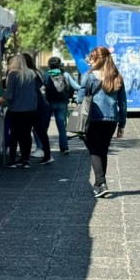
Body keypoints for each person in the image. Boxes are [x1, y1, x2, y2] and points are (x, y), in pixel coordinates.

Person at [77, 47, 127, 198]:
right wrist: (122, 123)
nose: (90, 61)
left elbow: (80, 99)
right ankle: (99, 185)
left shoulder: (89, 76)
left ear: (98, 59)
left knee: (94, 151)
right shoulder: (117, 76)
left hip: (92, 119)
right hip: (111, 120)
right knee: (102, 150)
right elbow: (123, 103)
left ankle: (102, 182)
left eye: (92, 58)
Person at [3, 54, 39, 168]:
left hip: (16, 110)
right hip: (30, 109)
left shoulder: (13, 74)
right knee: (26, 135)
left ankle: (12, 160)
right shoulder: (31, 74)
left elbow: (9, 95)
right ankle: (25, 160)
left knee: (14, 134)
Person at [44, 56, 79, 155]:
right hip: (62, 103)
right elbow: (76, 87)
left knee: (44, 127)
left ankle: (43, 148)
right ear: (60, 65)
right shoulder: (66, 74)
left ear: (49, 65)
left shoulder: (46, 74)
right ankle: (64, 148)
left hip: (49, 103)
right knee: (61, 127)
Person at [23, 53, 53, 164]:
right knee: (39, 131)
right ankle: (46, 154)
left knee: (36, 131)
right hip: (39, 106)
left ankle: (45, 154)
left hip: (35, 106)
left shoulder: (30, 74)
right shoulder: (36, 72)